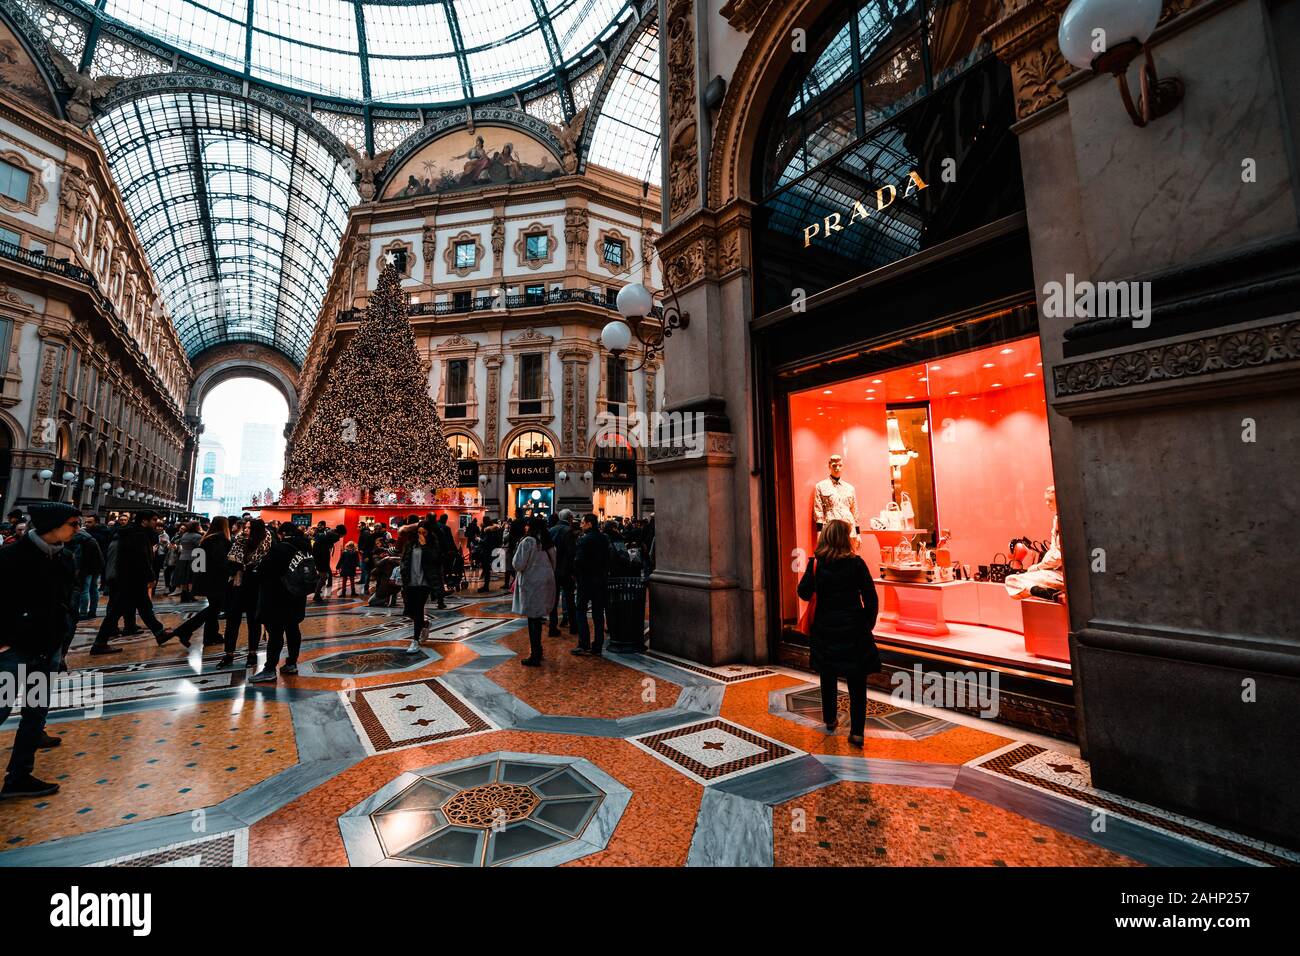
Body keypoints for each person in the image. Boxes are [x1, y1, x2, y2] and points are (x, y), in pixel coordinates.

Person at [0, 503, 81, 797]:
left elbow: (65, 601)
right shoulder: (11, 556)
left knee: (35, 714)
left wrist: (62, 637)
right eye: (73, 523)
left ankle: (19, 777)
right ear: (53, 525)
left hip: (47, 649)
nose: (77, 528)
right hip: (15, 651)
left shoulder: (67, 558)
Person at [796, 519, 881, 747]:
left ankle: (830, 718)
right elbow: (871, 598)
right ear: (845, 539)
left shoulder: (817, 564)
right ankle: (857, 731)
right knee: (857, 681)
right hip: (853, 628)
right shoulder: (856, 564)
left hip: (825, 628)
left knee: (828, 674)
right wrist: (866, 624)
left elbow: (803, 593)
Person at [93, 511, 171, 654]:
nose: (156, 523)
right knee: (116, 611)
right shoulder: (138, 535)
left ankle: (159, 633)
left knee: (144, 607)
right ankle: (99, 643)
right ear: (144, 520)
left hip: (130, 578)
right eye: (153, 520)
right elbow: (142, 558)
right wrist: (151, 576)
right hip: (132, 579)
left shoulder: (132, 533)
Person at [250, 523, 312, 683]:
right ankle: (291, 663)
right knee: (293, 629)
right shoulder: (306, 548)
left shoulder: (281, 549)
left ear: (283, 534)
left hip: (278, 596)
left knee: (276, 633)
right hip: (297, 595)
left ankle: (270, 668)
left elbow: (264, 570)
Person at [167, 517, 232, 649]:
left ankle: (211, 636)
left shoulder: (207, 538)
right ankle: (184, 630)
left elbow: (200, 563)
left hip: (206, 578)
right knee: (215, 608)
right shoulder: (218, 540)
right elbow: (220, 561)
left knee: (214, 608)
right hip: (215, 579)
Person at [224, 518, 270, 669]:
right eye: (245, 527)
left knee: (254, 622)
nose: (245, 530)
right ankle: (228, 654)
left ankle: (252, 653)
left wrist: (247, 568)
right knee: (232, 621)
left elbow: (267, 568)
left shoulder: (266, 544)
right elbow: (229, 563)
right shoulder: (238, 542)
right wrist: (237, 568)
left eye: (249, 528)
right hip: (237, 585)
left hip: (255, 587)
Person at [512, 515, 557, 666]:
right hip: (547, 580)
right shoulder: (547, 541)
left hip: (532, 582)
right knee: (538, 617)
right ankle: (538, 650)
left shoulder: (528, 541)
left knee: (532, 618)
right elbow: (554, 562)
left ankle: (535, 654)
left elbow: (518, 564)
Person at [571, 513, 610, 656]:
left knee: (580, 610)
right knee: (598, 613)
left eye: (582, 523)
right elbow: (608, 558)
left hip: (586, 581)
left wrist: (577, 575)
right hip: (600, 580)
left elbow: (578, 561)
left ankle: (584, 643)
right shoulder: (604, 538)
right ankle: (598, 645)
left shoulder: (584, 540)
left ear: (589, 524)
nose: (581, 525)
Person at [399, 524, 442, 654]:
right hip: (410, 582)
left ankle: (415, 640)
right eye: (419, 532)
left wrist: (424, 546)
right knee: (408, 611)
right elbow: (404, 560)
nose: (421, 535)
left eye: (424, 532)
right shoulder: (410, 544)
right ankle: (424, 624)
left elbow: (435, 560)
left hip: (424, 583)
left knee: (418, 610)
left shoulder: (432, 545)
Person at [549, 510, 577, 636]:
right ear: (570, 518)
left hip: (553, 570)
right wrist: (572, 571)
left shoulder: (551, 530)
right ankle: (573, 626)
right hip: (565, 571)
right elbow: (571, 553)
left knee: (553, 600)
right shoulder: (568, 531)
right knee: (570, 599)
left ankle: (552, 626)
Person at [69, 521, 104, 622]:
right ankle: (92, 611)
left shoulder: (79, 536)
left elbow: (79, 555)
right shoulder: (87, 535)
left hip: (87, 567)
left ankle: (83, 612)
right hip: (95, 566)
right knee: (93, 589)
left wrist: (77, 569)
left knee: (84, 589)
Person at [172, 521, 202, 601]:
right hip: (193, 558)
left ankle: (184, 595)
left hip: (182, 557)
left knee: (184, 578)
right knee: (191, 579)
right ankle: (190, 595)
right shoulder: (197, 536)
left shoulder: (184, 535)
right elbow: (200, 546)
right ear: (196, 527)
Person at [311, 522, 339, 602]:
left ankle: (319, 588)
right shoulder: (319, 533)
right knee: (323, 574)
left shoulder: (325, 533)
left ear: (324, 526)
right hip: (319, 555)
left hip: (321, 555)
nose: (319, 526)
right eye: (318, 525)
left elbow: (329, 544)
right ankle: (316, 591)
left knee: (325, 573)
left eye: (321, 525)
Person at [477, 518, 503, 592]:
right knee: (487, 569)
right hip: (492, 551)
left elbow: (485, 542)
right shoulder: (495, 530)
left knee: (486, 569)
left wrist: (479, 540)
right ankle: (486, 586)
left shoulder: (488, 531)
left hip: (486, 551)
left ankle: (486, 586)